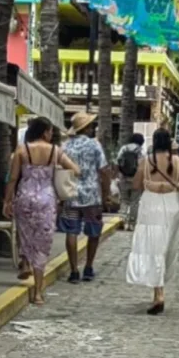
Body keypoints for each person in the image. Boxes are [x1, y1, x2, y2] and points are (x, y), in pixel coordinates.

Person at [4, 117, 80, 305]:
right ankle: (38, 292)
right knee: (43, 244)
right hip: (46, 199)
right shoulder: (55, 151)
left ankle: (25, 261)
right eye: (49, 131)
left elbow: (12, 179)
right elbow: (76, 170)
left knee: (26, 235)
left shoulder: (22, 150)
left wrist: (7, 201)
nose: (51, 134)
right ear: (44, 131)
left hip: (25, 198)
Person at [126, 129, 179, 315]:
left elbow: (136, 185)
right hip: (171, 204)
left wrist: (152, 184)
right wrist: (172, 185)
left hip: (150, 204)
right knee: (165, 248)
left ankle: (158, 293)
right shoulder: (178, 162)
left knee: (152, 248)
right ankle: (160, 291)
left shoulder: (145, 162)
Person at [59, 112, 110, 284]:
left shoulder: (65, 147)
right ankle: (88, 267)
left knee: (71, 231)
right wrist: (106, 193)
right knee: (93, 231)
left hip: (70, 194)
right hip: (92, 196)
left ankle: (74, 270)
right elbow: (103, 170)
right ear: (86, 128)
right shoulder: (95, 146)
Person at [116, 133, 145, 231]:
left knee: (124, 200)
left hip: (123, 178)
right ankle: (132, 224)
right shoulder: (140, 150)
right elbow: (142, 166)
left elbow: (118, 161)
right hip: (136, 179)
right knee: (134, 202)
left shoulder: (123, 148)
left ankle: (122, 219)